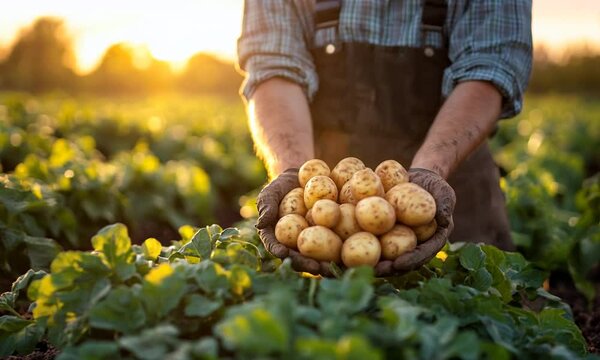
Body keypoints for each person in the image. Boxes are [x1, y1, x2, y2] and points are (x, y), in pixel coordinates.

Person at [237, 0, 532, 276]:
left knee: (475, 301)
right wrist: (294, 174)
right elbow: (273, 66)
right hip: (319, 162)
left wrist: (430, 173)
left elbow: (491, 65)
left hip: (458, 190)